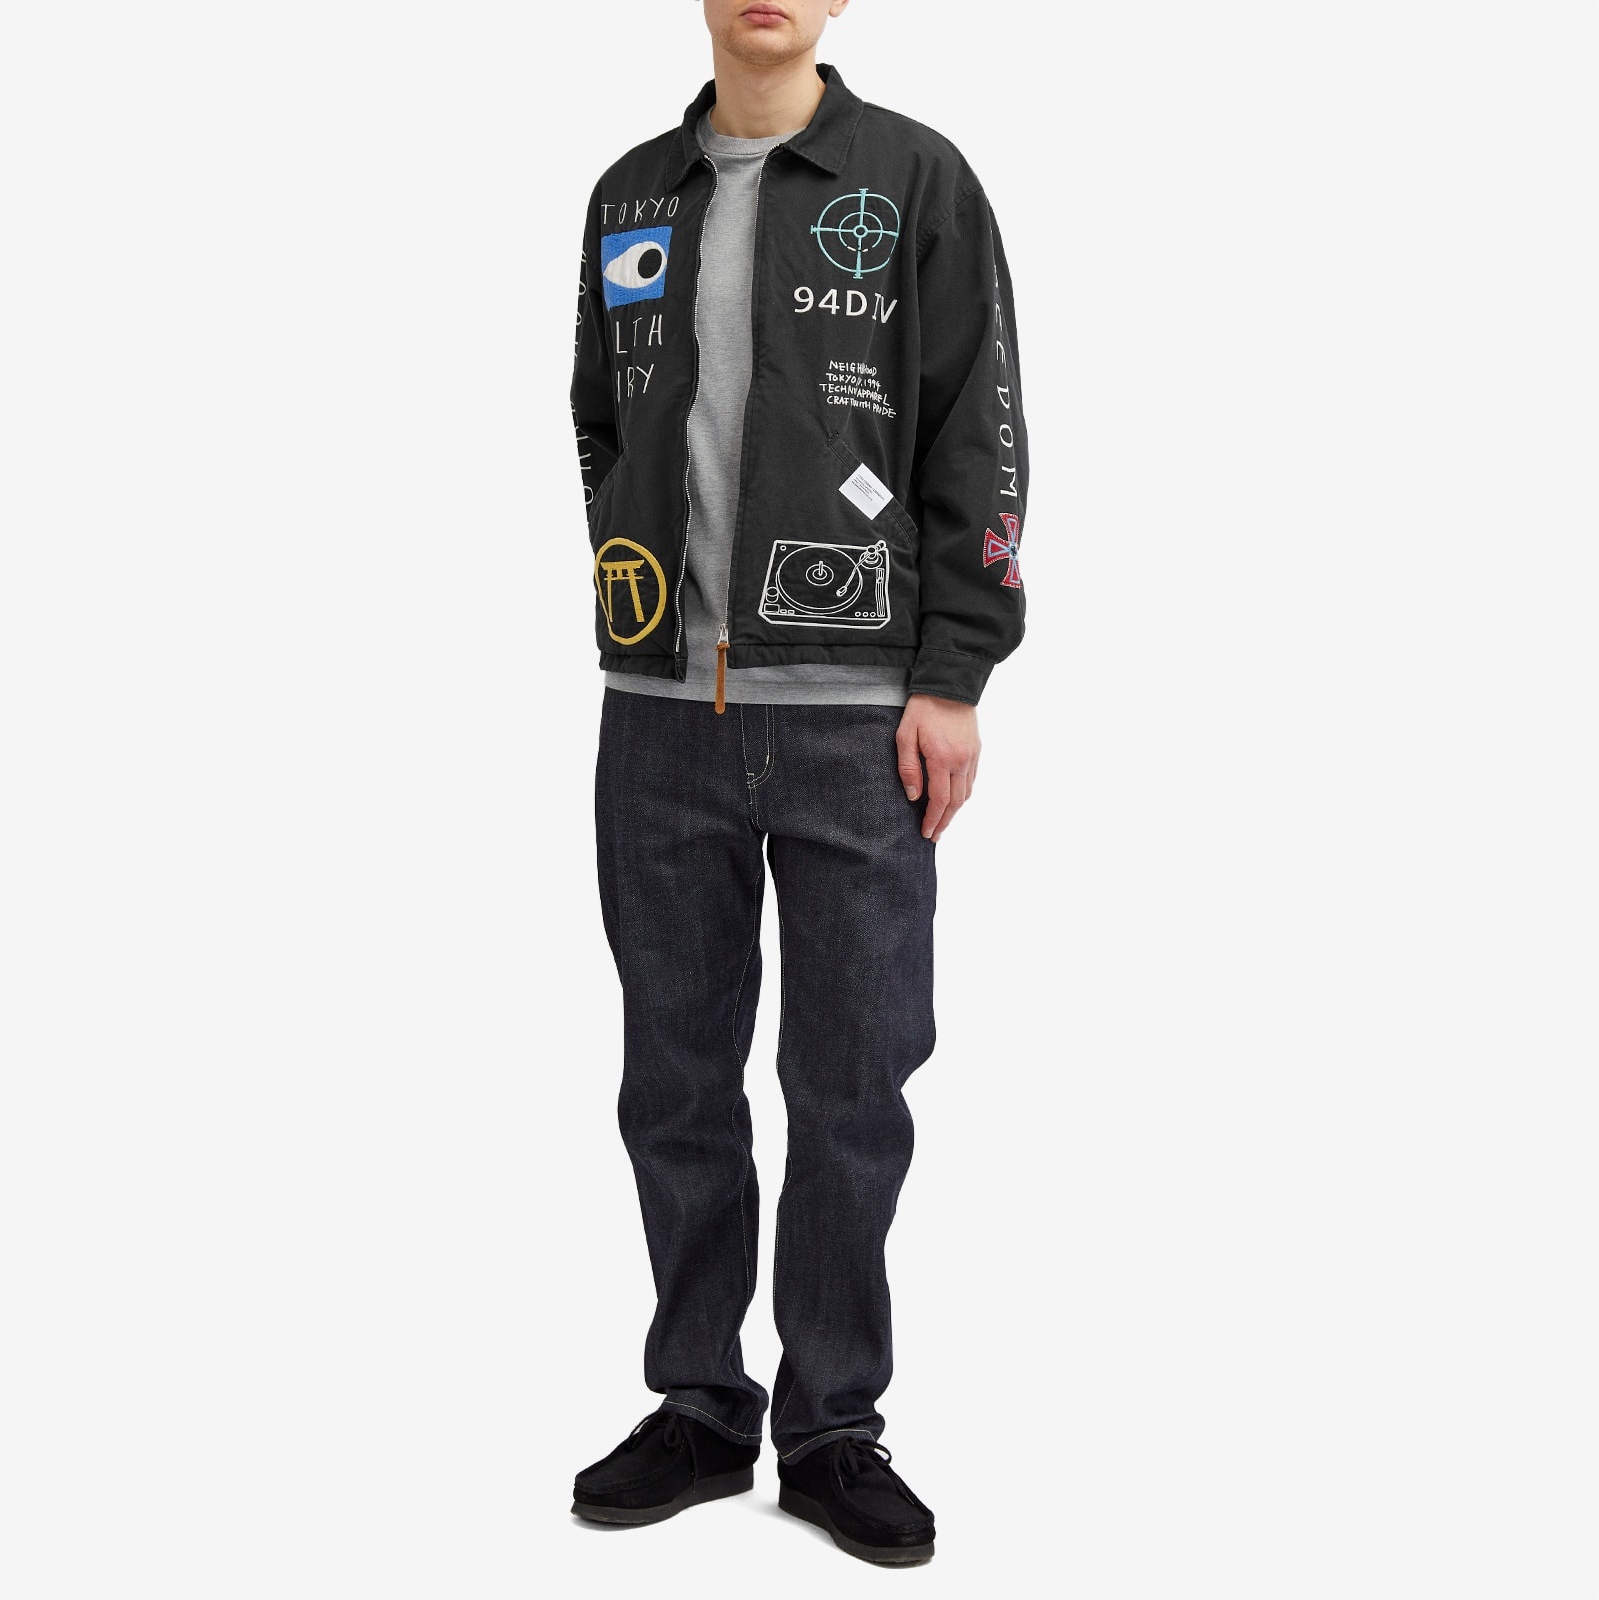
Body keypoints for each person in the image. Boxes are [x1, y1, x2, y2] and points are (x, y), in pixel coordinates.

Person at [568, 0, 1028, 1567]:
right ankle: (702, 1403)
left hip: (855, 717)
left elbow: (978, 429)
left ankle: (833, 1425)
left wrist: (952, 673)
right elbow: (599, 418)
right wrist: (635, 593)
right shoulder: (630, 193)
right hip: (658, 719)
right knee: (675, 1081)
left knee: (851, 1083)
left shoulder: (916, 179)